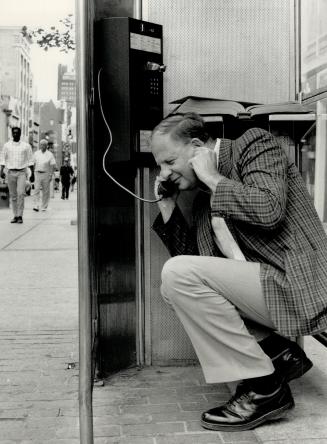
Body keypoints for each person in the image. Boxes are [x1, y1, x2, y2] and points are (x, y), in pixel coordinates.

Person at [150, 112, 327, 432]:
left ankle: (265, 388)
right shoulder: (203, 196)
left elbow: (269, 209)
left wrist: (213, 178)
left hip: (300, 282)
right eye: (160, 165)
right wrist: (167, 205)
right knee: (172, 282)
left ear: (196, 147)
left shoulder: (254, 145)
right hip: (268, 292)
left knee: (178, 275)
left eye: (169, 161)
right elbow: (190, 270)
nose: (165, 173)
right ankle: (277, 355)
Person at [0, 127, 34, 223]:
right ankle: (15, 215)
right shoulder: (7, 146)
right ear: (12, 134)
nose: (15, 134)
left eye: (17, 133)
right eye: (14, 133)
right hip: (10, 172)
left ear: (20, 133)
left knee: (20, 194)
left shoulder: (26, 146)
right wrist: (1, 170)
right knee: (13, 195)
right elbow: (3, 158)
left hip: (22, 172)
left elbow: (30, 159)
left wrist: (32, 172)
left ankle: (20, 216)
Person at [32, 139, 56, 212]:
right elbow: (33, 163)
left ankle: (44, 206)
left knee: (46, 191)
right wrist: (33, 173)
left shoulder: (50, 154)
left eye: (44, 145)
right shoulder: (36, 153)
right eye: (41, 144)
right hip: (37, 173)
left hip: (46, 173)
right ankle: (36, 205)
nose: (42, 146)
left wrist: (51, 174)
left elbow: (52, 165)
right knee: (36, 190)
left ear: (46, 146)